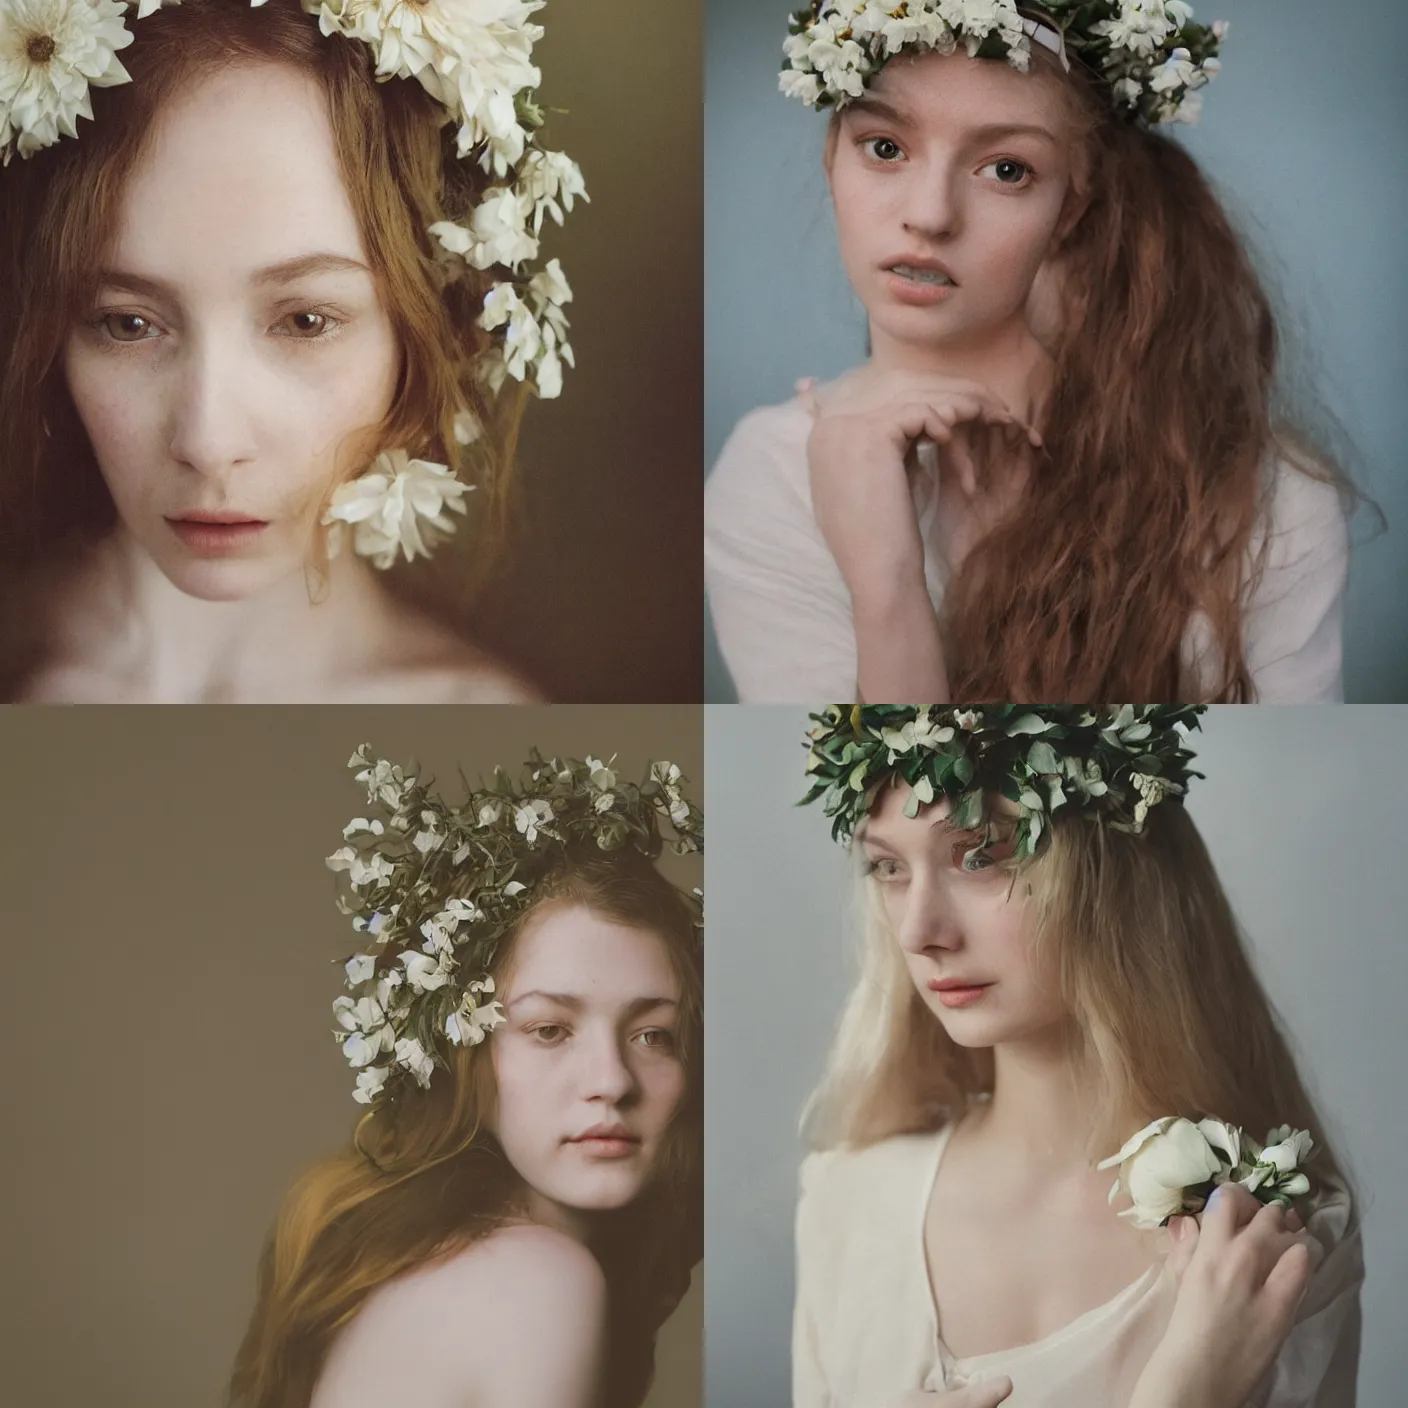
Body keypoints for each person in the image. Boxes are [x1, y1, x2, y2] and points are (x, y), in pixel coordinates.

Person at [705, 1, 1357, 704]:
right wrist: (885, 582)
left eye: (1007, 169)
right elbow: (894, 814)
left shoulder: (1263, 496)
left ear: (1070, 207)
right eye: (885, 148)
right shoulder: (774, 473)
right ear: (833, 155)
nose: (929, 214)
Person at [0, 0, 584, 701]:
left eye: (305, 320)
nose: (210, 444)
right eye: (126, 323)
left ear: (439, 329)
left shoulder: (484, 751)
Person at [792, 705, 1363, 1407]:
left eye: (980, 854)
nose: (919, 930)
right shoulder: (845, 1201)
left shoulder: (1266, 1240)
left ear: (1114, 874)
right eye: (887, 867)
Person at [229, 747, 703, 1408]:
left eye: (652, 1035)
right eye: (549, 1030)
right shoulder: (537, 1282)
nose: (613, 1080)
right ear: (460, 1052)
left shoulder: (432, 1260)